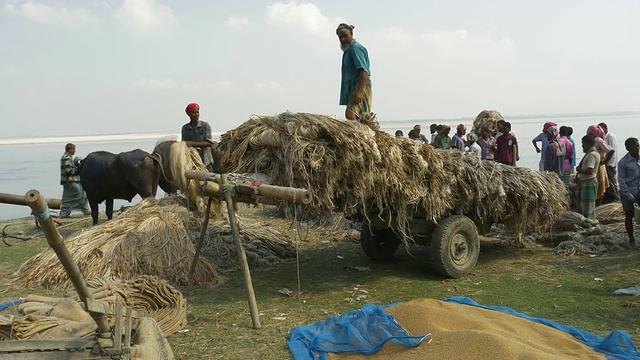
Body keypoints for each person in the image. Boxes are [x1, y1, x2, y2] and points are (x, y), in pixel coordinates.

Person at [337, 23, 371, 121]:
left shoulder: (355, 48)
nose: (343, 39)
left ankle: (357, 135)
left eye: (345, 36)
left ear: (351, 34)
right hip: (353, 85)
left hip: (360, 83)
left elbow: (363, 70)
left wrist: (360, 91)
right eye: (340, 37)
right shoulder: (347, 50)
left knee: (351, 114)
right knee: (359, 115)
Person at [618, 137, 640, 249]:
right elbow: (621, 181)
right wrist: (630, 196)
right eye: (634, 146)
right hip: (628, 192)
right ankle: (632, 240)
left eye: (637, 145)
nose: (637, 148)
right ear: (628, 148)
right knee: (629, 215)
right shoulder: (623, 162)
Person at [181, 102, 216, 172]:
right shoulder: (185, 128)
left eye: (197, 112)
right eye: (193, 113)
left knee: (209, 179)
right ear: (189, 114)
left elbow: (209, 143)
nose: (196, 114)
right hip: (192, 160)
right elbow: (184, 144)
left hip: (205, 160)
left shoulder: (205, 126)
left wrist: (192, 144)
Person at [586, 125, 615, 205]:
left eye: (590, 133)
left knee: (600, 188)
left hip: (599, 166)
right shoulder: (592, 141)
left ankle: (599, 205)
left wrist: (604, 161)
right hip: (594, 165)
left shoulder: (598, 140)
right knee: (595, 187)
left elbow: (611, 150)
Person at [59, 143, 90, 218]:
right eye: (74, 149)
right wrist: (79, 168)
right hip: (69, 181)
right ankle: (64, 212)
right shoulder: (66, 158)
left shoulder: (68, 157)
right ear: (70, 149)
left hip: (70, 181)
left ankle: (86, 210)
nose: (75, 151)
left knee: (81, 194)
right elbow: (69, 171)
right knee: (77, 194)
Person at [575, 135, 600, 220]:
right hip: (586, 181)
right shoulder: (592, 153)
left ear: (587, 143)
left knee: (587, 205)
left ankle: (588, 221)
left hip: (589, 182)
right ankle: (587, 220)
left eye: (583, 144)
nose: (582, 146)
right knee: (584, 204)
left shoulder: (591, 155)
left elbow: (590, 171)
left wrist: (579, 169)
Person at [598, 122, 620, 200]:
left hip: (610, 163)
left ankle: (616, 197)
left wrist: (607, 162)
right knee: (609, 181)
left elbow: (612, 150)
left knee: (612, 180)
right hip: (607, 162)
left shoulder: (610, 136)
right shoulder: (604, 137)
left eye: (601, 128)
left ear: (605, 128)